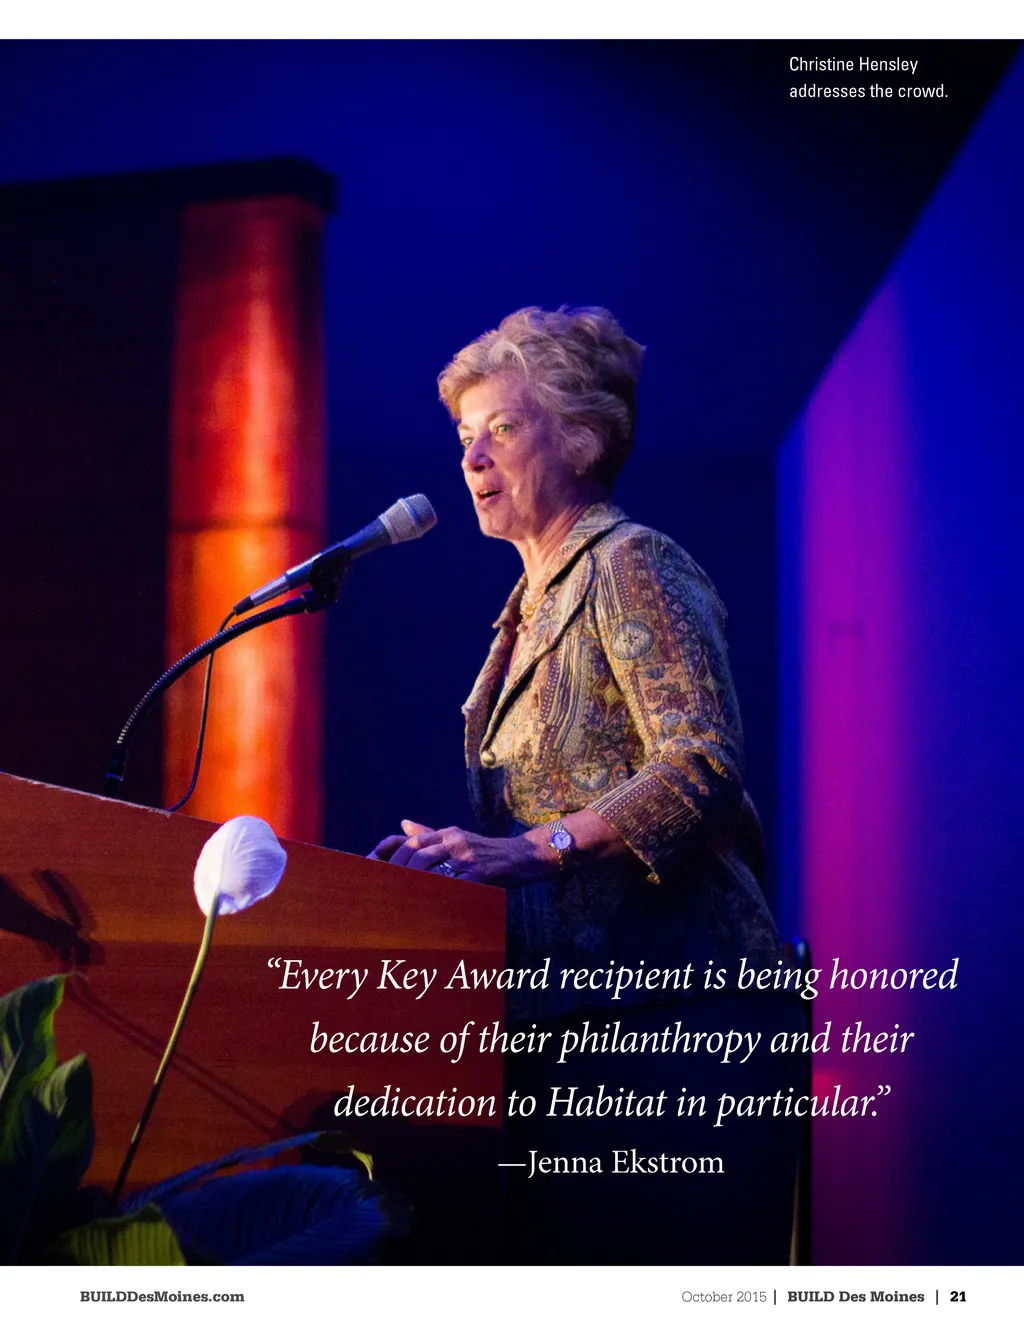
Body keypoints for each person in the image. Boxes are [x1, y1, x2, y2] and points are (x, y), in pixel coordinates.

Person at [369, 306, 801, 1264]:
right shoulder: (524, 610)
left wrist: (531, 847)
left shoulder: (631, 562)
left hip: (681, 1025)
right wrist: (446, 868)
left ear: (581, 438)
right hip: (568, 1027)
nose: (472, 457)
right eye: (464, 435)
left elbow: (701, 760)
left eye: (502, 427)